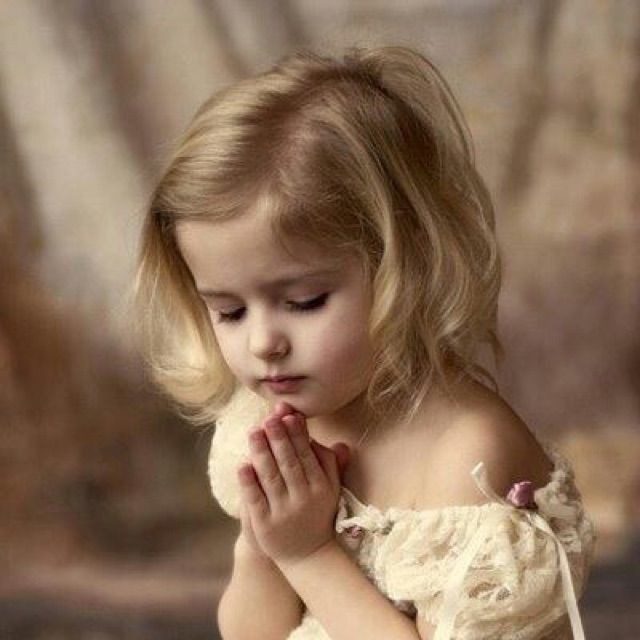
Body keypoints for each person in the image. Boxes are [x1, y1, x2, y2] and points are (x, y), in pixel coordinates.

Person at [132, 44, 596, 640]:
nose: (263, 342)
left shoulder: (466, 457)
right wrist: (264, 547)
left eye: (305, 302)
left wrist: (307, 553)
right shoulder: (278, 421)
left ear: (406, 265)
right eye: (229, 311)